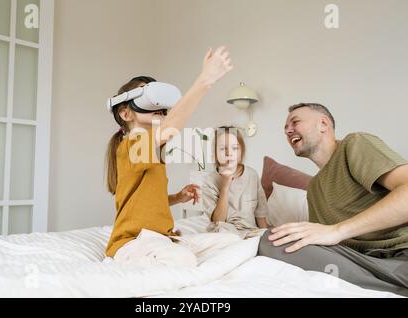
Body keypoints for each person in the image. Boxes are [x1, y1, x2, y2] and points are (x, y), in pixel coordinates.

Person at [105, 47, 240, 267]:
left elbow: (145, 202)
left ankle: (172, 253)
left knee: (233, 241)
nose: (158, 105)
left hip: (162, 238)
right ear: (125, 113)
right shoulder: (131, 143)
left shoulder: (148, 151)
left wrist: (177, 198)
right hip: (133, 242)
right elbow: (171, 128)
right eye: (148, 98)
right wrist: (205, 80)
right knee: (182, 259)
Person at [258, 103, 408, 296]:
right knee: (272, 240)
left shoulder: (354, 144)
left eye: (295, 122)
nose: (288, 130)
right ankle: (390, 289)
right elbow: (319, 241)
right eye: (285, 128)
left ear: (323, 123)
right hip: (362, 263)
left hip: (400, 254)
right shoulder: (314, 189)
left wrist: (337, 231)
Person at [203, 126, 269, 239]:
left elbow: (260, 214)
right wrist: (225, 186)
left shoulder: (252, 175)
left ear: (241, 151)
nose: (229, 153)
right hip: (223, 233)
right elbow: (219, 220)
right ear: (215, 153)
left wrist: (267, 235)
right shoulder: (210, 180)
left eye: (235, 148)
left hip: (250, 232)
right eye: (223, 149)